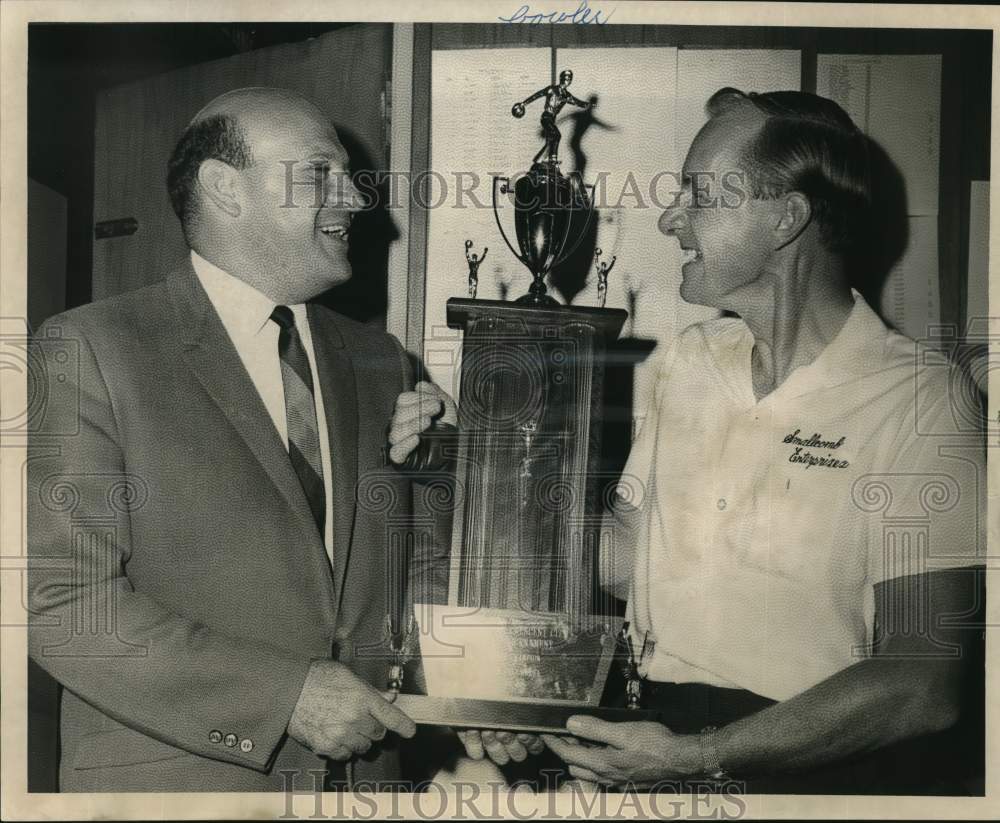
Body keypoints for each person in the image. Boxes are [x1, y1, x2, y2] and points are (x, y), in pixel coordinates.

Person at [541, 88, 986, 792]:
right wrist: (477, 463)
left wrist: (694, 756)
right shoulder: (691, 358)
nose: (669, 217)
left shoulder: (925, 398)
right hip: (646, 735)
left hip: (803, 766)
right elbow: (624, 564)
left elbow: (922, 683)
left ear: (786, 217)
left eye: (699, 195)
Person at [27, 87, 456, 792]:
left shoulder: (384, 363)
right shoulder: (90, 349)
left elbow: (421, 573)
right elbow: (61, 602)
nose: (356, 198)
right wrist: (286, 694)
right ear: (225, 189)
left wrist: (447, 464)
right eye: (322, 173)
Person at [512, 69, 595, 166]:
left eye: (569, 79)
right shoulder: (551, 89)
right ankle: (553, 159)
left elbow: (578, 102)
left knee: (550, 142)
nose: (567, 80)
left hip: (553, 119)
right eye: (565, 78)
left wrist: (589, 105)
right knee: (556, 135)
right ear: (561, 78)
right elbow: (537, 95)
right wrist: (523, 104)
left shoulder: (567, 96)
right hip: (546, 117)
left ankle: (540, 160)